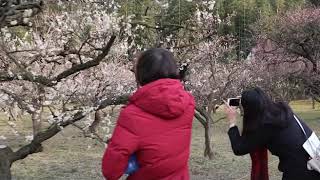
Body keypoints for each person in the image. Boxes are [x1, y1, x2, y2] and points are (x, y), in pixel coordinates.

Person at [101, 48, 195, 180]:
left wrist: (116, 144)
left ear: (141, 73)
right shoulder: (188, 104)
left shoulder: (132, 115)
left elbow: (111, 171)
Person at [224, 87, 320, 180]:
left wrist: (232, 122)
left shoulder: (265, 125)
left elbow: (239, 148)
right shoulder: (281, 110)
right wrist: (247, 98)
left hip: (301, 171)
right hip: (313, 160)